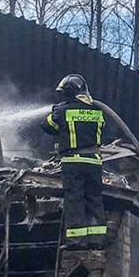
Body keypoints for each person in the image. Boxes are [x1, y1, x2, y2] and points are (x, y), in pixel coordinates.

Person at [42, 74, 107, 251]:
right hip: (94, 162)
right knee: (94, 199)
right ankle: (97, 240)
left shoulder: (63, 111)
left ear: (69, 91)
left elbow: (48, 127)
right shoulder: (97, 111)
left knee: (75, 200)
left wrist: (55, 111)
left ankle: (76, 241)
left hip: (74, 162)